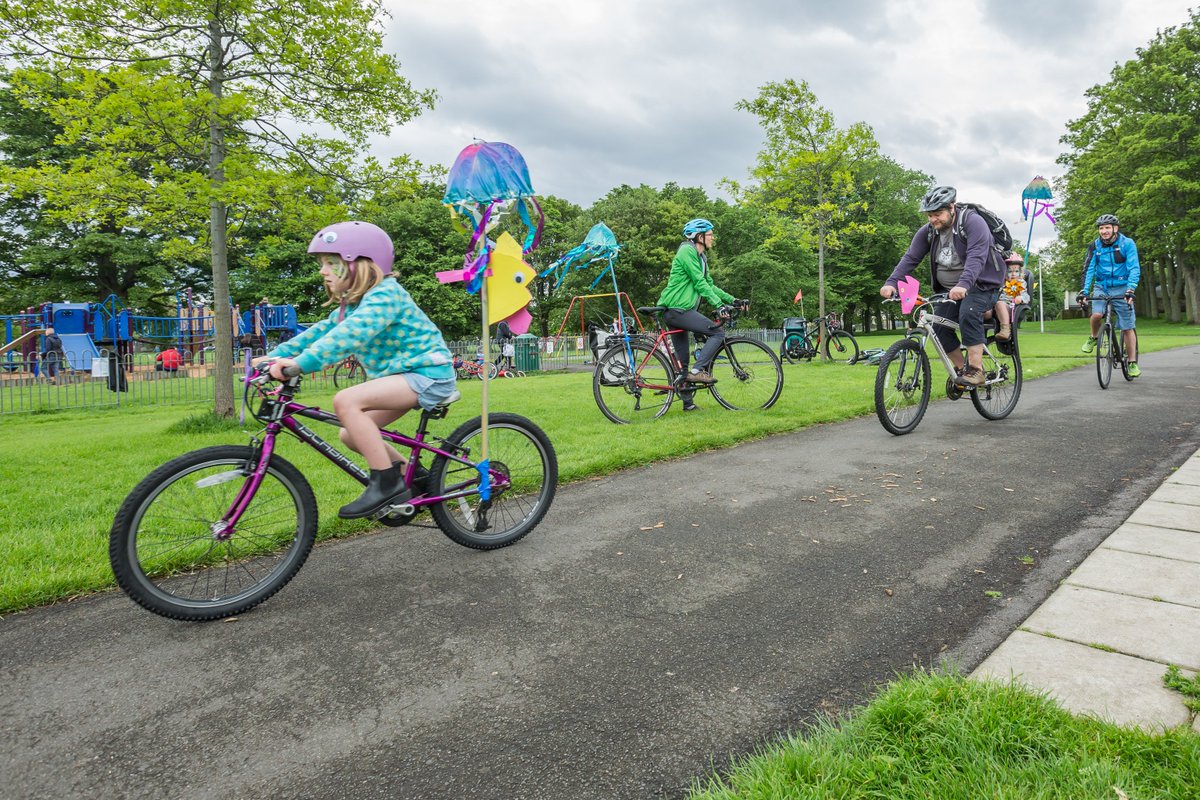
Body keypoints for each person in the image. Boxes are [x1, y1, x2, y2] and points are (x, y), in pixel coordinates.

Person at [258, 221, 457, 519]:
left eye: (331, 262)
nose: (323, 270)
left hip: (428, 374)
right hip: (401, 378)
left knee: (346, 401)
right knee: (350, 434)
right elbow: (317, 334)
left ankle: (387, 484)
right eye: (322, 263)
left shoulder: (386, 295)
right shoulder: (351, 305)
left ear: (361, 264)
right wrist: (272, 357)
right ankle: (415, 480)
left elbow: (348, 336)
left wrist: (302, 364)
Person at [879, 186, 1005, 387]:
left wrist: (964, 284)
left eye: (937, 214)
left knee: (968, 312)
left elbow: (976, 256)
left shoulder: (972, 222)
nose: (933, 219)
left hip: (982, 285)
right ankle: (961, 371)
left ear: (951, 207)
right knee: (938, 326)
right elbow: (911, 258)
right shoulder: (928, 231)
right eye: (930, 215)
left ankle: (976, 370)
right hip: (949, 291)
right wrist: (891, 282)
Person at [656, 218, 748, 411]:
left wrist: (732, 300)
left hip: (680, 311)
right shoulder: (686, 251)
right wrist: (718, 305)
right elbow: (699, 282)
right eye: (709, 234)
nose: (713, 237)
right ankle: (698, 371)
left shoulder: (701, 257)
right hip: (676, 309)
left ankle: (688, 404)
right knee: (718, 333)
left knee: (683, 363)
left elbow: (710, 285)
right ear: (699, 236)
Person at [1077, 213, 1141, 377]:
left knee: (1127, 327)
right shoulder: (1095, 246)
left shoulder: (1127, 244)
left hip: (1123, 287)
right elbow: (1088, 269)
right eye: (1101, 228)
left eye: (1107, 228)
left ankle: (1132, 363)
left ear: (1115, 228)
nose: (1104, 231)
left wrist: (1131, 289)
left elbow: (1134, 267)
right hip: (1102, 286)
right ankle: (1093, 337)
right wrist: (1084, 291)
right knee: (1096, 315)